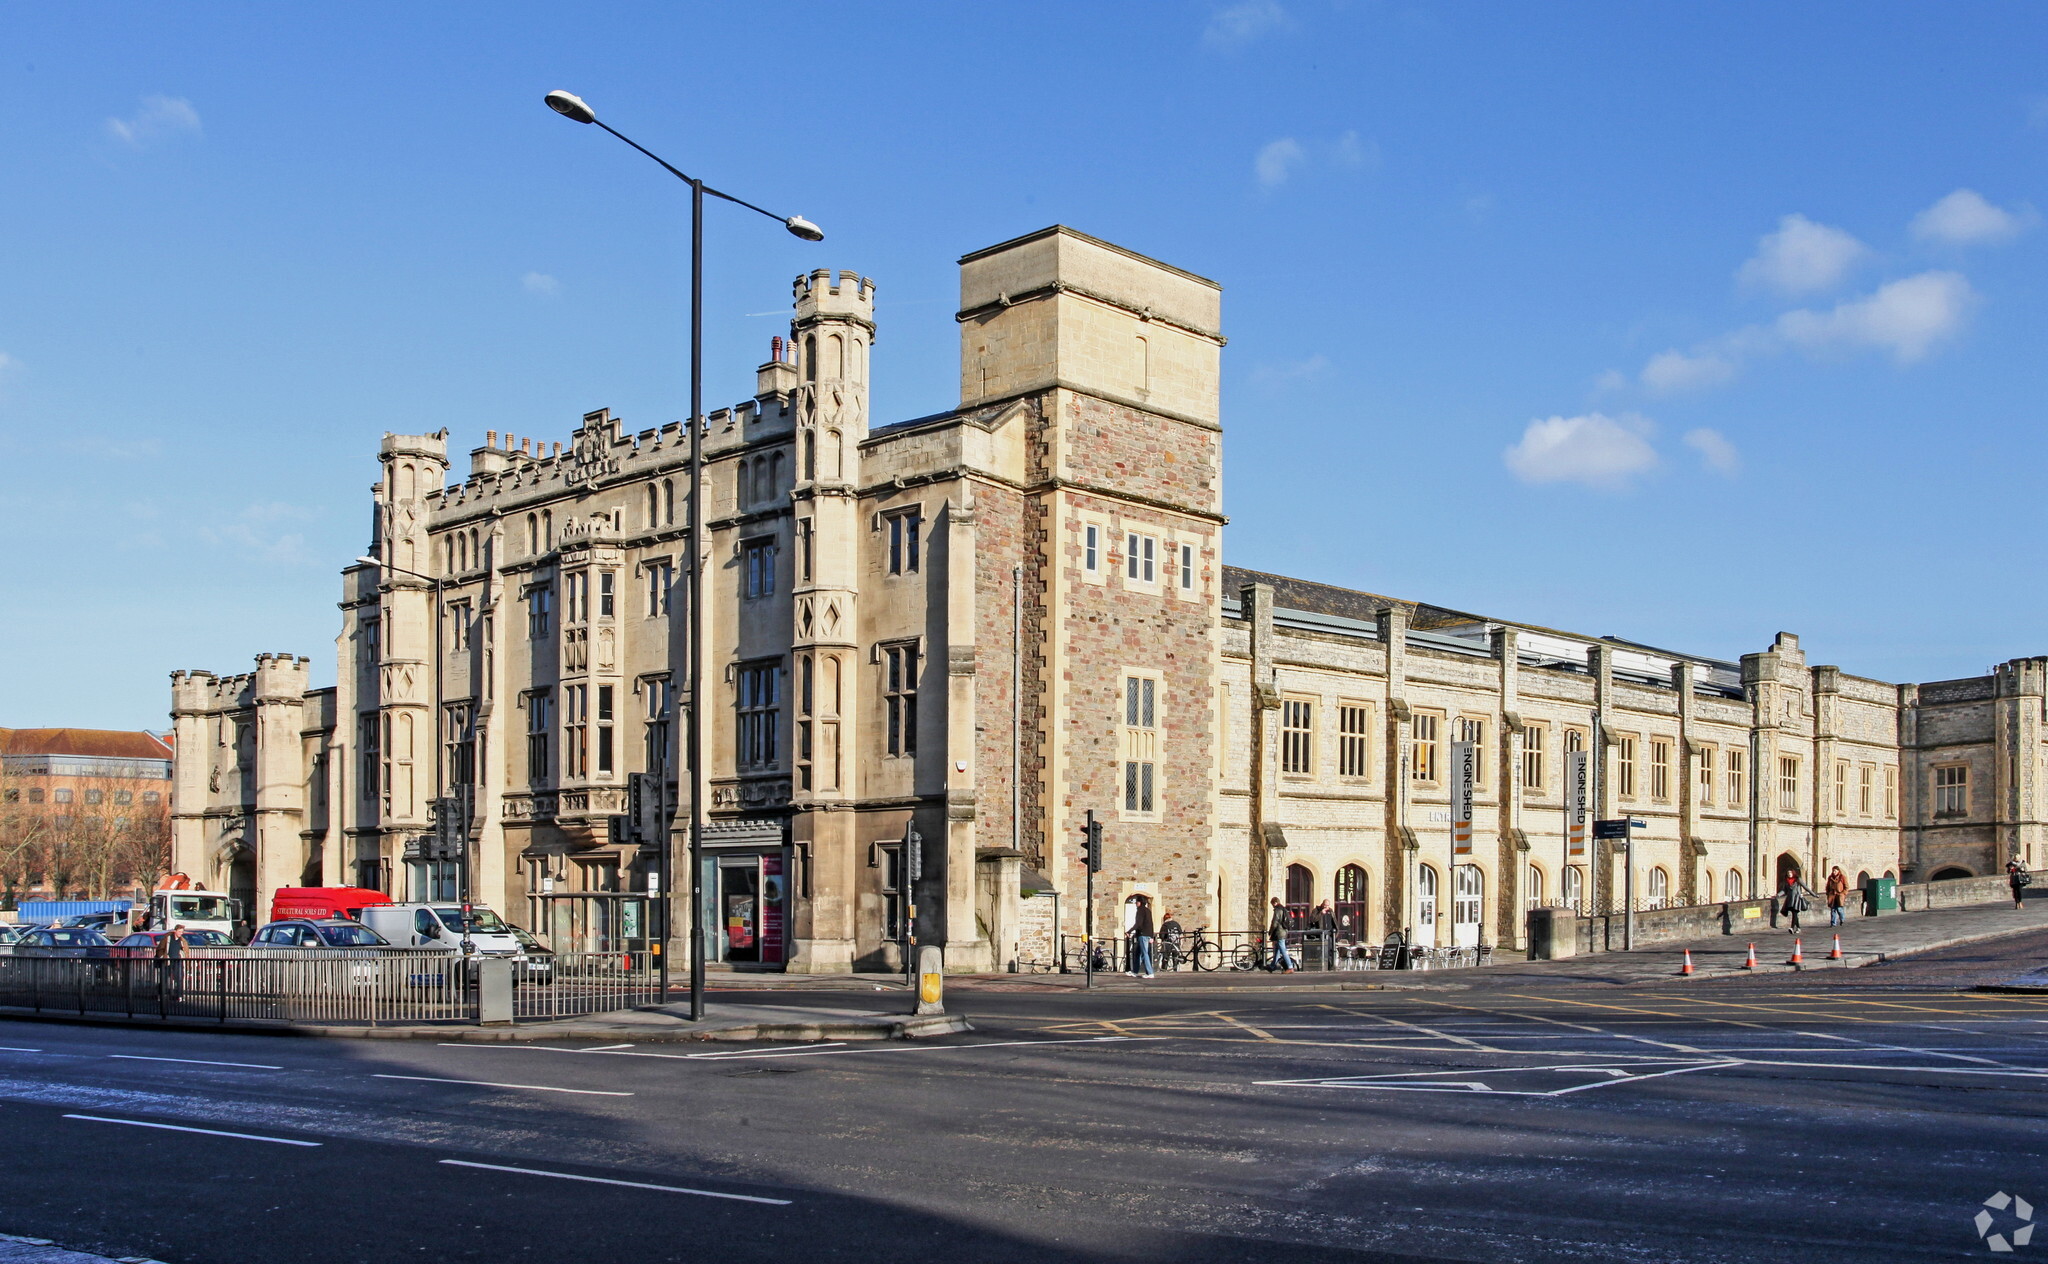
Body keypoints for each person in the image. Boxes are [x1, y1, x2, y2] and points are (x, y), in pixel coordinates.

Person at [1128, 896, 1157, 979]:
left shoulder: (1140, 910)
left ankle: (1150, 972)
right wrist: (1151, 936)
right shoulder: (1148, 911)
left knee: (1144, 953)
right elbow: (1151, 924)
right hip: (1147, 934)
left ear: (1140, 902)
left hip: (1142, 934)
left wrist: (1129, 931)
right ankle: (1135, 971)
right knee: (1138, 953)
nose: (1135, 903)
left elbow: (1138, 924)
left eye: (1137, 902)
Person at [1267, 895, 1297, 973]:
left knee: (1283, 950)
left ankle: (1290, 967)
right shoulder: (1283, 909)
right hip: (1283, 932)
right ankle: (1272, 966)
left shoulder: (1278, 910)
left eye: (1272, 904)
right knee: (1277, 949)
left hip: (1279, 932)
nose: (1272, 906)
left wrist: (1270, 931)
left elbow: (1275, 922)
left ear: (1275, 902)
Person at [1780, 869, 1809, 933]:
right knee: (1794, 913)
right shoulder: (1786, 881)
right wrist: (1777, 895)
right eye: (1788, 873)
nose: (1789, 874)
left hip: (1797, 899)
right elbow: (1784, 890)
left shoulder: (1798, 879)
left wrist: (1814, 894)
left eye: (1790, 873)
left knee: (1795, 913)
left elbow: (1805, 887)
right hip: (1790, 899)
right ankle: (1798, 928)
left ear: (1793, 873)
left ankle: (1792, 928)